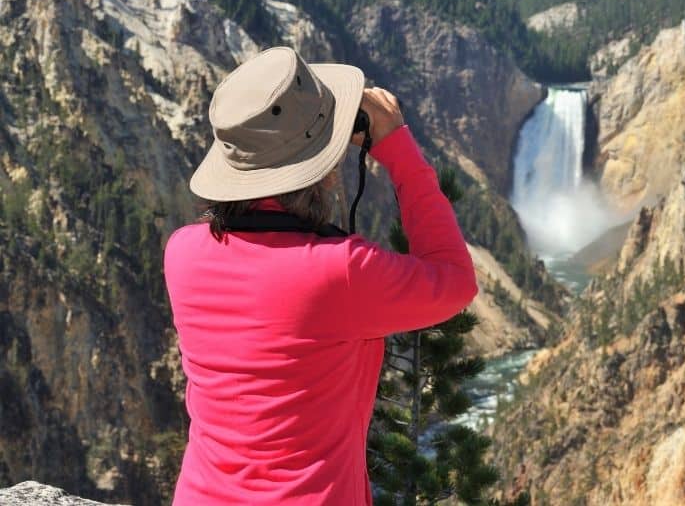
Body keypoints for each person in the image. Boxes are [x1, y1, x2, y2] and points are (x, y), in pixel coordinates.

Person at [163, 47, 478, 505]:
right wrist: (395, 144)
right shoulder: (339, 272)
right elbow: (454, 279)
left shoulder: (183, 253)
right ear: (325, 173)